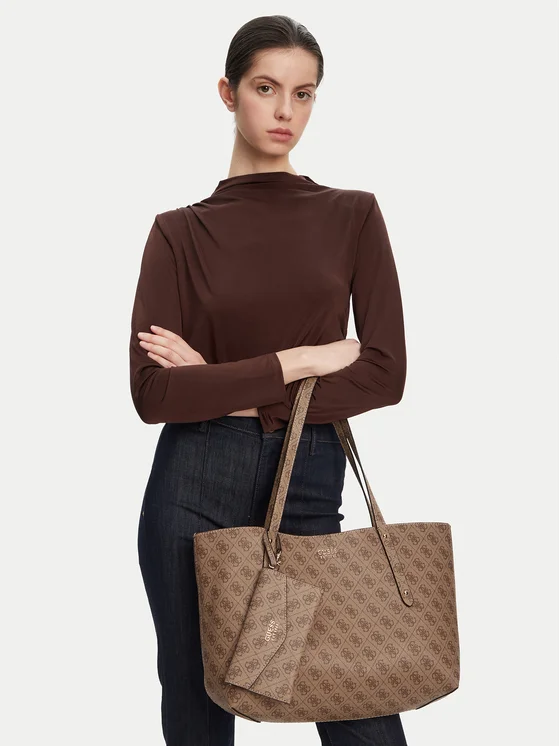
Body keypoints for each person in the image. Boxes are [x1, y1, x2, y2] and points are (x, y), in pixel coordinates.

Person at [129, 14, 408, 746]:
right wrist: (300, 362)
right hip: (195, 484)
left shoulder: (351, 215)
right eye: (265, 88)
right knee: (198, 708)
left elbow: (385, 373)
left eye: (303, 93)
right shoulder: (178, 232)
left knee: (352, 696)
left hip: (309, 479)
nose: (285, 111)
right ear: (228, 93)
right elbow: (154, 395)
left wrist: (223, 383)